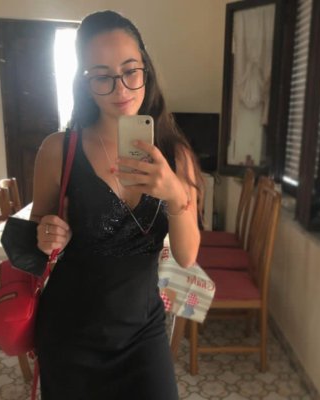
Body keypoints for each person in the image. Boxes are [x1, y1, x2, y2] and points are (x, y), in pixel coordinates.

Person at [30, 10, 202, 399]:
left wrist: (175, 193)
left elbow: (187, 256)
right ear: (85, 82)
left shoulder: (175, 155)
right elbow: (37, 229)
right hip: (70, 334)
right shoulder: (58, 150)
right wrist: (46, 233)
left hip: (143, 333)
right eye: (102, 76)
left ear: (146, 70)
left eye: (129, 71)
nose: (120, 88)